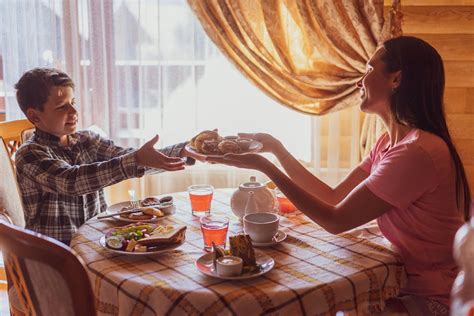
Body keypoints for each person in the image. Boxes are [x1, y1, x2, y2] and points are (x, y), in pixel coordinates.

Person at [208, 36, 471, 315]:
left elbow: (336, 220)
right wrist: (276, 150)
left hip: (431, 298)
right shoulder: (389, 143)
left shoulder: (416, 153)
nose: (360, 82)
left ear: (396, 80)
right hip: (401, 283)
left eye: (369, 70)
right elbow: (334, 196)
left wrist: (266, 167)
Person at [14, 68, 199, 245]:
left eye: (74, 102)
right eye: (62, 107)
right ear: (34, 116)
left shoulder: (87, 139)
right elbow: (72, 181)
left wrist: (182, 151)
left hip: (95, 240)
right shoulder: (29, 154)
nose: (74, 111)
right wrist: (135, 159)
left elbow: (131, 158)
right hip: (55, 254)